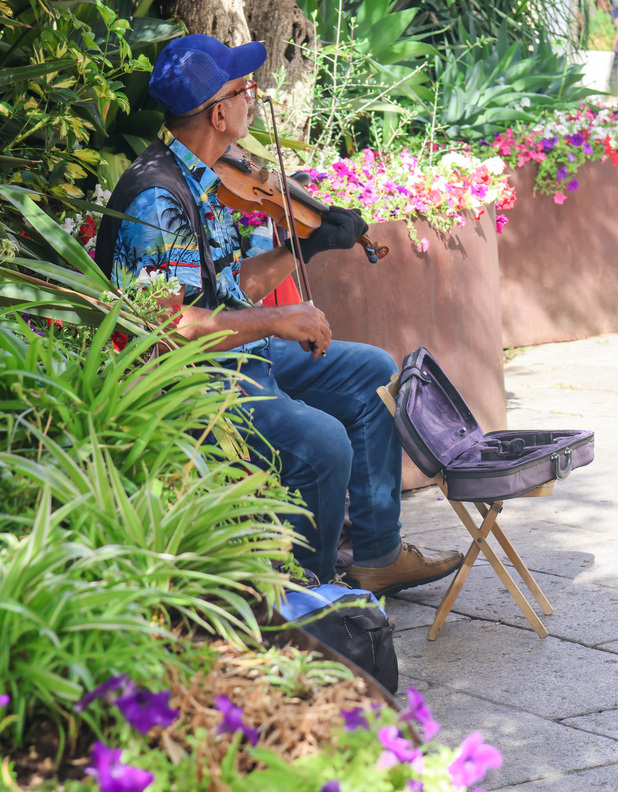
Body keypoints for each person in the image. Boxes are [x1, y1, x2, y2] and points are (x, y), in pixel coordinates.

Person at [95, 34, 463, 594]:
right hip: (193, 383)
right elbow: (172, 329)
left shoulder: (206, 176)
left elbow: (229, 285)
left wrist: (306, 247)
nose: (253, 97)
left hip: (237, 357)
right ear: (219, 113)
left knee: (373, 372)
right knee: (322, 442)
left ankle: (378, 555)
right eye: (245, 90)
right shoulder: (158, 200)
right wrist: (276, 319)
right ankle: (302, 597)